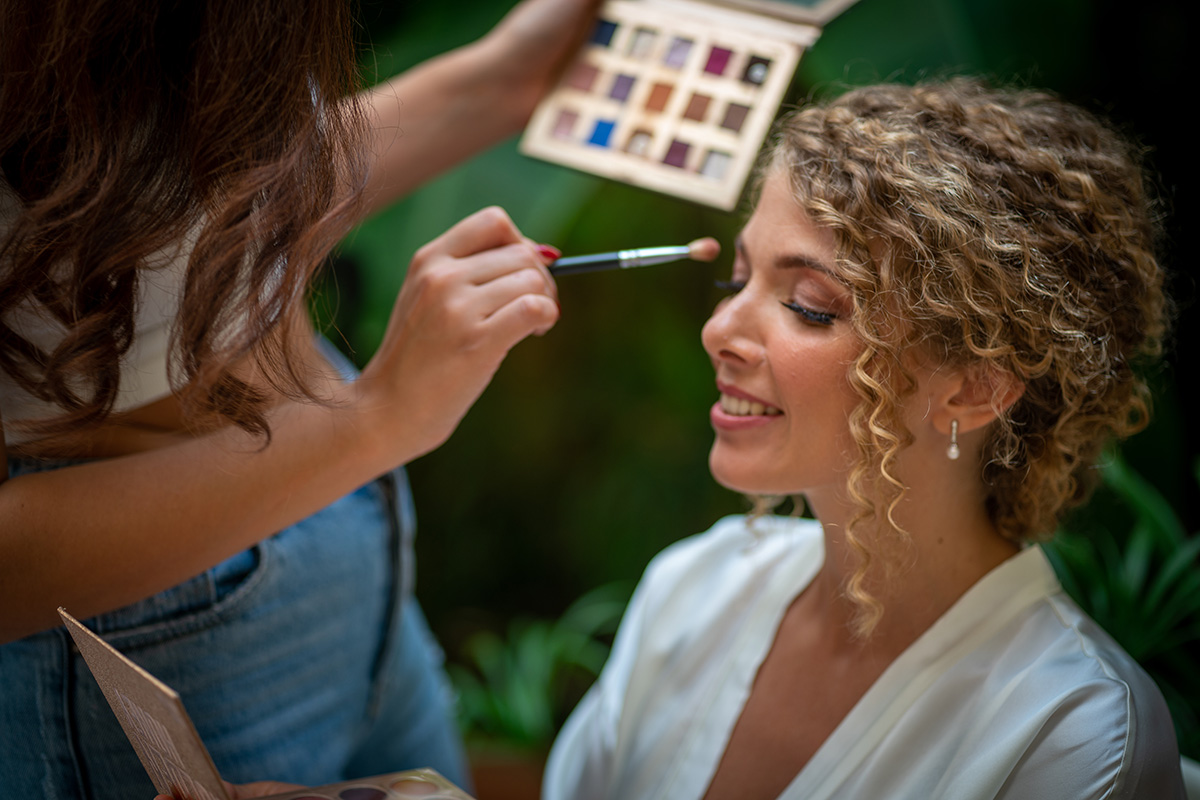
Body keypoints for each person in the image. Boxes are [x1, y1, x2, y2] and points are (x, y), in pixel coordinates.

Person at [0, 0, 598, 796]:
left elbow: (176, 189)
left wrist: (502, 78)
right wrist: (377, 418)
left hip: (349, 534)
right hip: (156, 628)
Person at [541, 79, 1186, 799]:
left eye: (807, 306)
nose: (717, 331)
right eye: (738, 281)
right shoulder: (693, 591)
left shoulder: (1067, 732)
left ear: (975, 388)